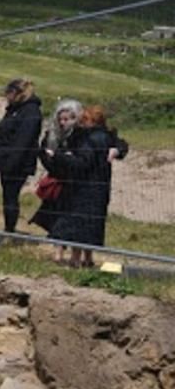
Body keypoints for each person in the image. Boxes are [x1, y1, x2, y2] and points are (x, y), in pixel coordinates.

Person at [47, 105, 120, 268]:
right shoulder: (106, 137)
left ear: (91, 121)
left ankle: (73, 259)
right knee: (91, 225)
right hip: (100, 187)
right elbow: (119, 145)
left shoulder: (90, 139)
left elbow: (83, 162)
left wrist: (59, 156)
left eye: (83, 120)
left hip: (84, 187)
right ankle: (86, 259)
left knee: (76, 224)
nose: (80, 123)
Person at [0, 79, 43, 235]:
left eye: (9, 92)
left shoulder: (31, 112)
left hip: (18, 163)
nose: (6, 96)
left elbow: (23, 141)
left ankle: (9, 229)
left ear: (17, 93)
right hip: (7, 159)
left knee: (11, 196)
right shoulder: (14, 109)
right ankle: (8, 227)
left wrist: (11, 163)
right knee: (8, 196)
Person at [32, 99, 83, 249]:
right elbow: (43, 152)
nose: (62, 123)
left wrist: (60, 158)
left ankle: (60, 242)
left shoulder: (81, 135)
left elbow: (80, 159)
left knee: (68, 213)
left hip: (73, 181)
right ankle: (55, 238)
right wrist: (51, 162)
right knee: (52, 209)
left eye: (66, 119)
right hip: (55, 177)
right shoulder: (52, 134)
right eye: (60, 119)